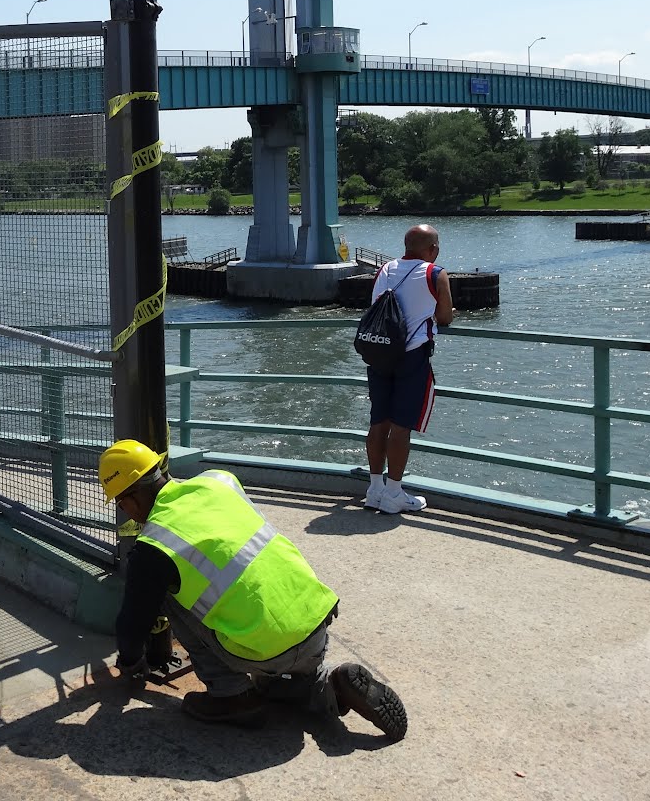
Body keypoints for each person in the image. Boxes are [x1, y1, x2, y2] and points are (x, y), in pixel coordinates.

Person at [100, 439, 408, 737]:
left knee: (166, 592)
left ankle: (230, 695)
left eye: (122, 505)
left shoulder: (154, 546)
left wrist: (130, 662)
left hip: (263, 648)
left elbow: (134, 621)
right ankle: (331, 686)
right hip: (315, 621)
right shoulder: (218, 481)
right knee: (277, 683)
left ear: (130, 500)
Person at [363, 223, 453, 514]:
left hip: (379, 353)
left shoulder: (386, 268)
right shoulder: (435, 273)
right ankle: (394, 494)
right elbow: (445, 317)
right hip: (412, 356)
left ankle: (374, 489)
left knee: (379, 422)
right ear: (433, 249)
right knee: (401, 427)